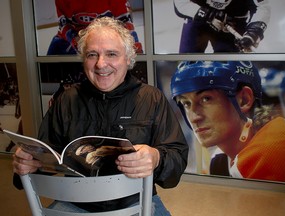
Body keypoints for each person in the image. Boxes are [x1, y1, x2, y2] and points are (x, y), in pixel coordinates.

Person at [12, 17, 188, 214]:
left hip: (136, 201)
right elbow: (45, 156)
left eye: (111, 54)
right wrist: (28, 163)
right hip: (75, 203)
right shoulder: (66, 100)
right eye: (92, 54)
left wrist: (156, 158)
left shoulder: (151, 98)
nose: (101, 64)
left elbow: (177, 158)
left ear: (129, 59)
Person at [170, 61, 285, 182]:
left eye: (206, 99)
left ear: (244, 99)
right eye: (186, 103)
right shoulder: (220, 160)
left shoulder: (270, 151)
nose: (194, 117)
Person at [47, 0, 143, 55]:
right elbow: (64, 25)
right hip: (71, 40)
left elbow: (126, 24)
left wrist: (134, 48)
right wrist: (75, 41)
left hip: (108, 37)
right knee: (45, 70)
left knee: (138, 63)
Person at [173, 0, 271, 53]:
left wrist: (253, 33)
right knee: (187, 62)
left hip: (232, 22)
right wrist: (207, 15)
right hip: (198, 17)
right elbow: (180, 2)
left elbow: (262, 7)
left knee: (229, 65)